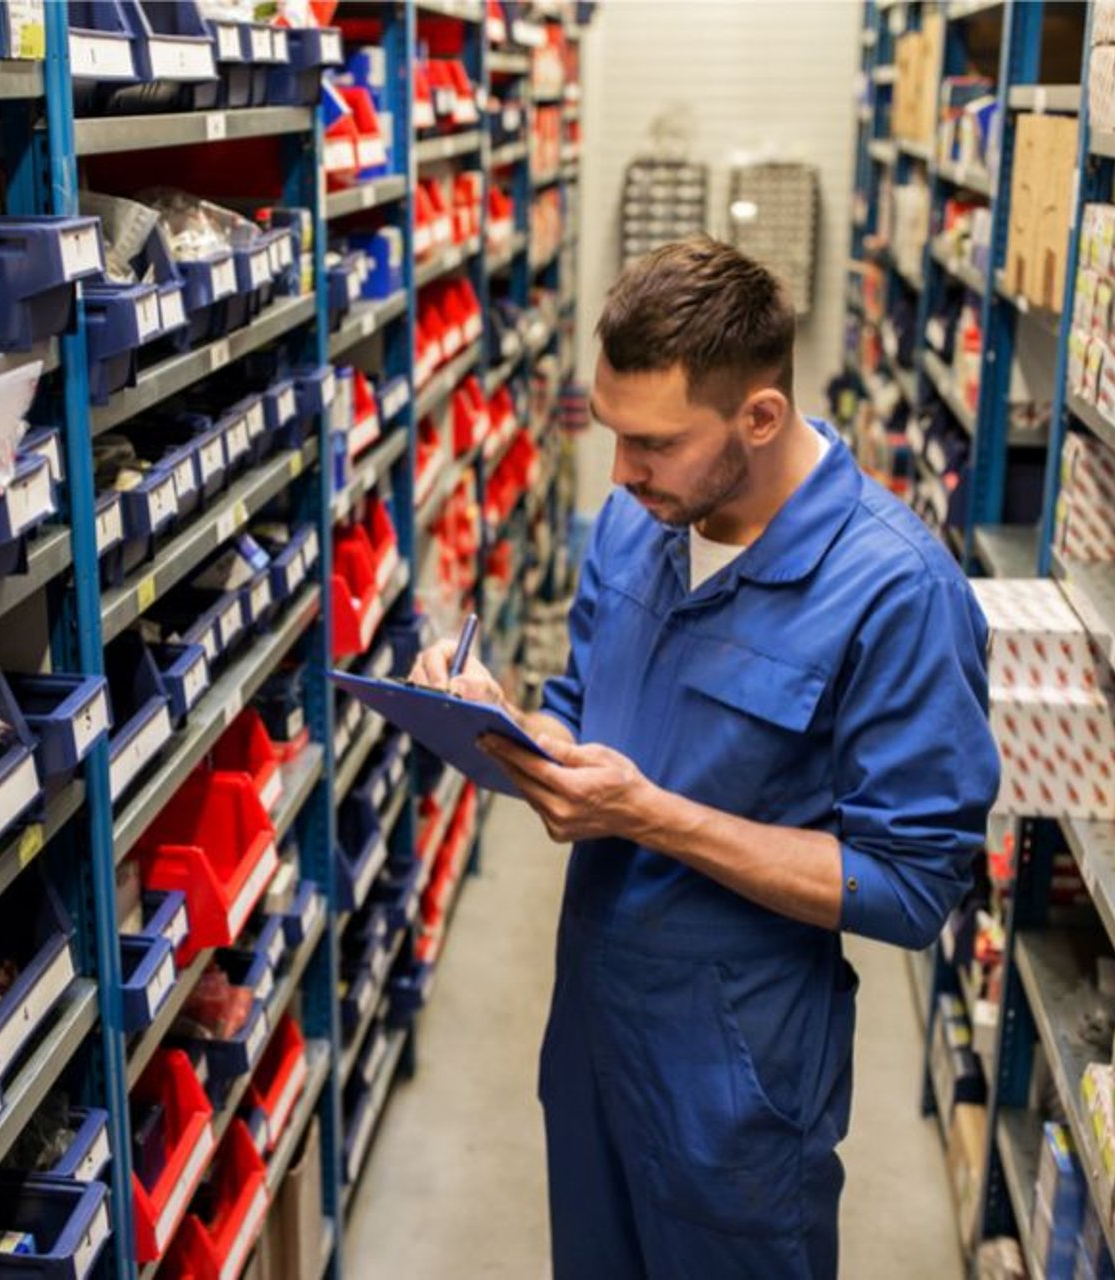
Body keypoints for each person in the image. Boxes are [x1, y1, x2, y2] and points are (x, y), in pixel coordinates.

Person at [409, 236, 1000, 1279]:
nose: (621, 470)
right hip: (593, 1030)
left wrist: (650, 815)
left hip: (736, 1081)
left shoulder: (896, 589)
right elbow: (578, 715)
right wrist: (504, 727)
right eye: (611, 431)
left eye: (655, 442)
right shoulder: (636, 525)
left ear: (759, 418)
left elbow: (910, 887)